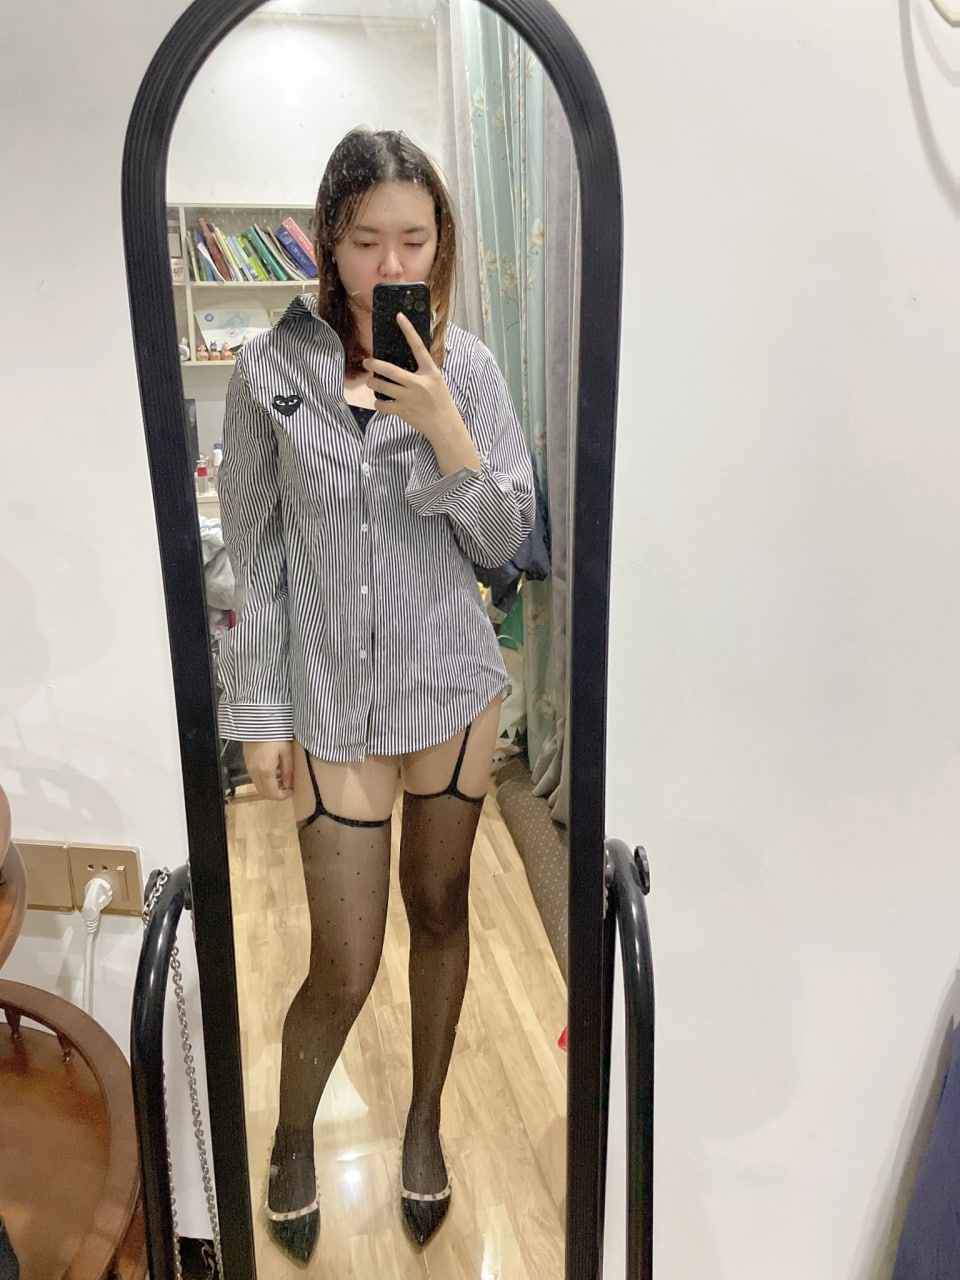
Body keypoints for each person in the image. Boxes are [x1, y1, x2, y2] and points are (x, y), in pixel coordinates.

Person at [216, 127, 536, 1263]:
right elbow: (254, 556)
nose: (391, 261)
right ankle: (292, 1130)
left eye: (414, 237)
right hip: (331, 700)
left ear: (441, 240)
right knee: (344, 960)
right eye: (365, 239)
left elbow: (504, 540)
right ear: (327, 240)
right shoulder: (266, 373)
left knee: (442, 913)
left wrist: (443, 425)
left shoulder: (472, 371)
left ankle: (424, 1121)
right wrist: (260, 713)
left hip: (451, 689)